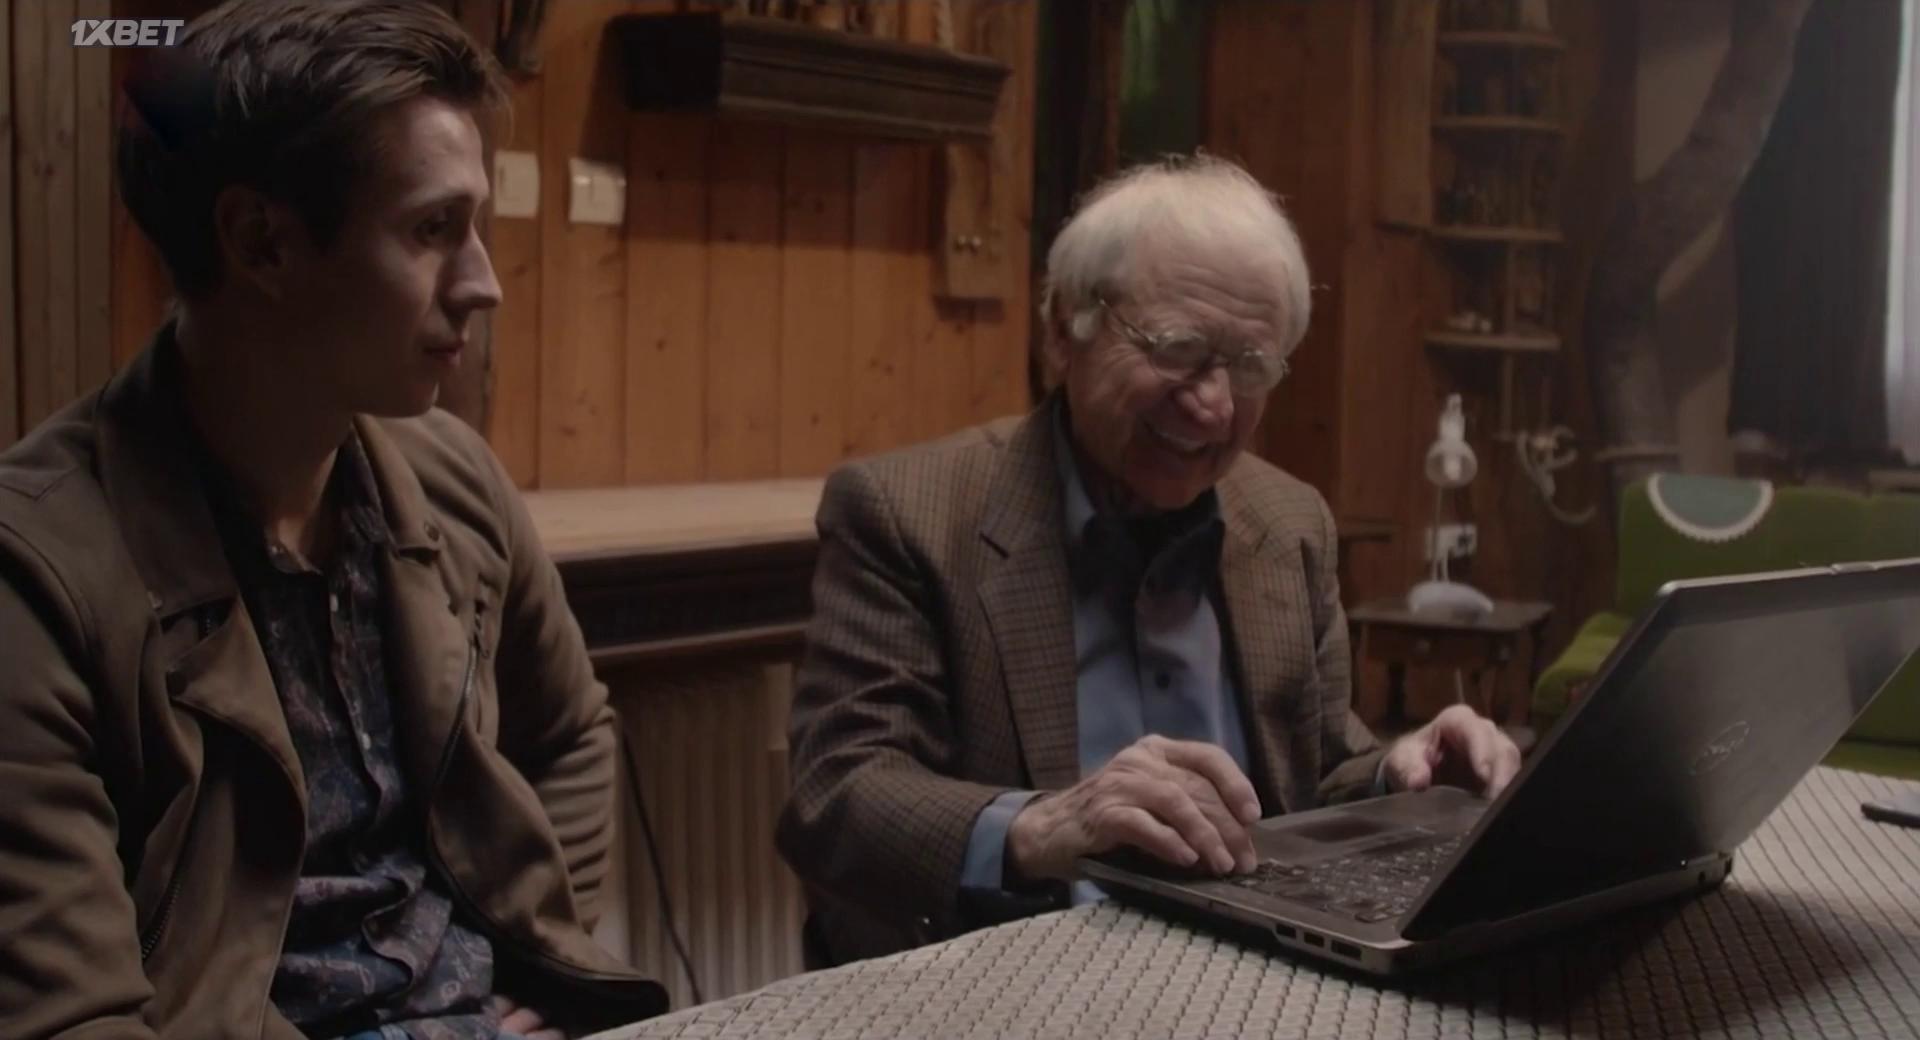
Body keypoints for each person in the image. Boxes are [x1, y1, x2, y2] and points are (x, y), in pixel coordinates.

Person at [0, 2, 663, 1036]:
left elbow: (573, 732)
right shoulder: (36, 575)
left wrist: (544, 962)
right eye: (433, 229)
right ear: (261, 242)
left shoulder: (453, 481)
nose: (485, 283)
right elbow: (73, 1019)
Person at [777, 155, 1522, 965]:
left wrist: (1400, 778)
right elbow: (838, 794)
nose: (1214, 405)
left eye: (1249, 366)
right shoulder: (910, 514)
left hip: (1258, 976)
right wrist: (1045, 826)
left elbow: (1319, 774)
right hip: (1006, 977)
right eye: (1178, 349)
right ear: (1063, 329)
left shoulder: (1289, 524)